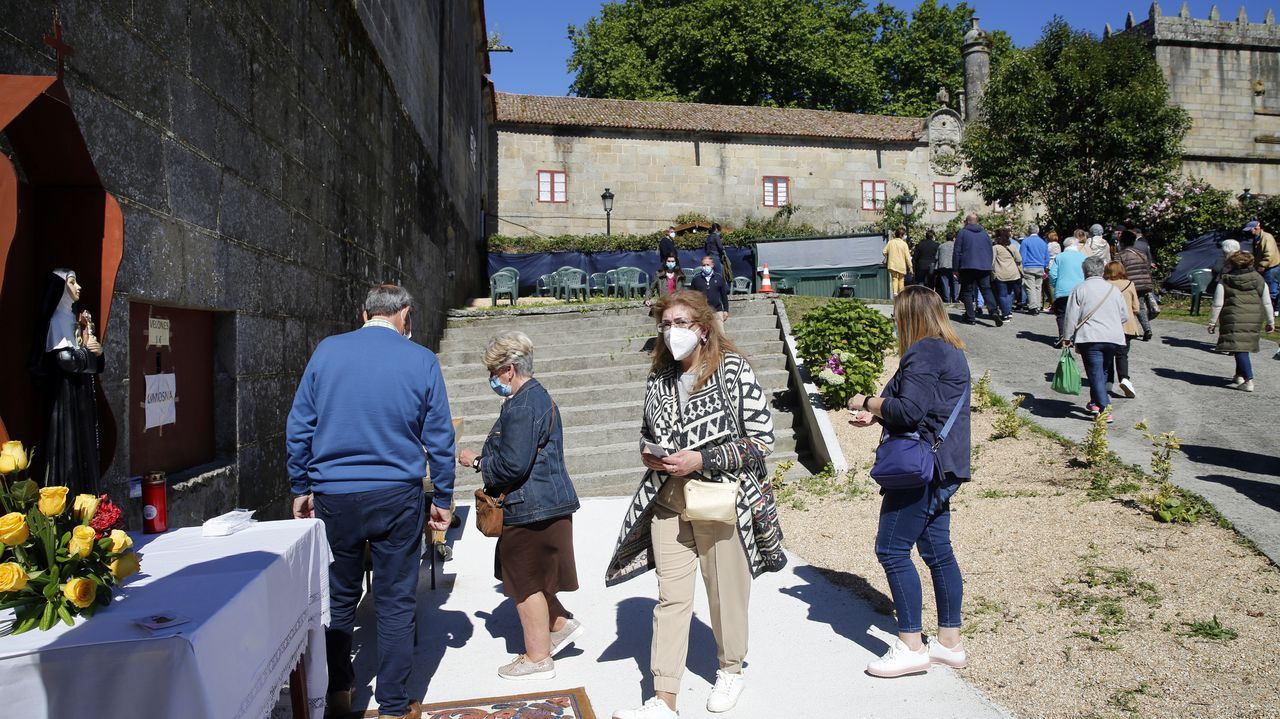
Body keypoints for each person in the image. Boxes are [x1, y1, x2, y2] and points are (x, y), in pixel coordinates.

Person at [608, 290, 784, 719]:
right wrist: (649, 454)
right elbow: (646, 432)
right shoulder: (659, 379)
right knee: (670, 600)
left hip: (720, 502)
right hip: (668, 502)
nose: (672, 332)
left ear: (703, 329)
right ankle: (664, 698)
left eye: (681, 323)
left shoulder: (733, 371)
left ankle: (730, 669)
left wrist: (703, 458)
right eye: (666, 324)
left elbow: (762, 441)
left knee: (725, 595)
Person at [287, 284, 456, 719]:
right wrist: (444, 495)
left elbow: (300, 423)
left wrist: (300, 486)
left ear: (364, 314)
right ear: (404, 315)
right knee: (396, 599)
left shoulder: (327, 351)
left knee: (338, 598)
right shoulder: (420, 359)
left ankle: (340, 693)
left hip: (334, 494)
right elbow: (439, 435)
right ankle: (395, 705)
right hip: (396, 493)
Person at [846, 285, 970, 678]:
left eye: (899, 315)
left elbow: (911, 409)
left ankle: (910, 646)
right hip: (944, 464)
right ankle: (949, 643)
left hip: (921, 469)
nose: (895, 322)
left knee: (892, 549)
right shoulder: (950, 349)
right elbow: (922, 407)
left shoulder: (924, 350)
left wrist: (866, 402)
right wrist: (880, 416)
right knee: (936, 551)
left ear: (909, 316)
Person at [457, 331, 582, 680]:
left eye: (494, 373)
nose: (492, 380)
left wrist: (478, 463)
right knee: (534, 576)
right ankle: (559, 626)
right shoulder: (534, 398)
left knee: (524, 583)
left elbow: (514, 465)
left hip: (532, 507)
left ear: (509, 369)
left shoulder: (523, 404)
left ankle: (538, 657)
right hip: (543, 504)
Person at [30, 269, 104, 497]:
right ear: (61, 288)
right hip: (63, 397)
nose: (78, 286)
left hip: (78, 395)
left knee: (83, 447)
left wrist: (97, 351)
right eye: (72, 282)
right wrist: (89, 355)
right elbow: (65, 360)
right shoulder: (56, 320)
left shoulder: (72, 319)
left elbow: (92, 364)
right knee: (68, 450)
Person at [1060, 256, 1130, 423]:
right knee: (1103, 371)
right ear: (1101, 270)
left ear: (1085, 271)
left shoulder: (1080, 289)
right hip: (1113, 338)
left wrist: (1067, 337)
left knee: (1095, 373)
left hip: (1090, 338)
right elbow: (1124, 316)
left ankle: (1105, 407)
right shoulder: (1113, 290)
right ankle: (1095, 402)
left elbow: (1071, 316)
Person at [1208, 251, 1275, 392]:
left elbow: (1217, 303)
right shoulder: (1258, 278)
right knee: (1241, 346)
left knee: (1239, 348)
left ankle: (1248, 379)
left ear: (1232, 264)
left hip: (1233, 317)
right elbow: (1267, 302)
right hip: (1253, 317)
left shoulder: (1225, 279)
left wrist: (1212, 322)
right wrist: (1271, 321)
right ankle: (1238, 375)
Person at [952, 212, 1001, 326]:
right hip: (984, 267)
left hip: (967, 266)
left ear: (967, 221)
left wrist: (955, 268)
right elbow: (990, 250)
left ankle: (970, 317)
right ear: (977, 222)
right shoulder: (984, 234)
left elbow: (957, 252)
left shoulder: (963, 233)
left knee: (967, 291)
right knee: (986, 289)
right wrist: (988, 265)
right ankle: (993, 311)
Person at [1103, 261, 1141, 398]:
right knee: (1122, 354)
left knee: (1107, 354)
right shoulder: (1130, 285)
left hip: (1108, 325)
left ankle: (1108, 381)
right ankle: (1125, 378)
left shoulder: (1104, 285)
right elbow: (1136, 307)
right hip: (1126, 325)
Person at [1117, 231, 1155, 342]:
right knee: (1140, 306)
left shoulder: (1121, 255)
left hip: (1129, 284)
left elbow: (1118, 271)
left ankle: (1128, 329)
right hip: (1143, 283)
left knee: (1126, 307)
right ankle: (1147, 329)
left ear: (1122, 242)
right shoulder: (1141, 254)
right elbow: (1147, 267)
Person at [1050, 234, 1088, 340]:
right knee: (1078, 314)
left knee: (1061, 313)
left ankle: (1063, 335)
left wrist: (1055, 284)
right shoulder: (1083, 257)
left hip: (1063, 290)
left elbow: (1053, 274)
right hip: (1080, 289)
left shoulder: (1060, 257)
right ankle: (1076, 336)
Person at [1245, 220, 1280, 315]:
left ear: (1256, 228)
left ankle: (1272, 311)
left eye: (1250, 230)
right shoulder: (1258, 238)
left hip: (1271, 268)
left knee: (1272, 290)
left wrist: (1262, 265)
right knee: (1265, 289)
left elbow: (1269, 254)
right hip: (1266, 267)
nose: (1249, 232)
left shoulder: (1267, 237)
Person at [991, 228, 1023, 322]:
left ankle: (1005, 314)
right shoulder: (1012, 246)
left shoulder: (995, 248)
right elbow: (1019, 259)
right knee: (1009, 293)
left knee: (1002, 294)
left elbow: (992, 261)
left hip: (1001, 273)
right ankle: (1009, 312)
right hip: (1013, 273)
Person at [690, 254, 730, 325]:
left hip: (717, 311)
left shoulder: (719, 278)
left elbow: (724, 295)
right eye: (704, 265)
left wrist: (726, 310)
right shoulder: (696, 279)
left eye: (708, 265)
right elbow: (692, 296)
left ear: (712, 265)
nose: (706, 267)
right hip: (702, 312)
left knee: (720, 333)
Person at [1020, 224, 1048, 315]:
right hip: (1040, 267)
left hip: (1029, 266)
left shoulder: (1025, 242)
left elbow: (1022, 256)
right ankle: (1038, 305)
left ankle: (1033, 307)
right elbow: (1046, 257)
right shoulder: (1043, 242)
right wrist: (1043, 265)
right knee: (1038, 287)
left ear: (1029, 231)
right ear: (1038, 231)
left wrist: (1021, 267)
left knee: (1030, 287)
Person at [884, 228, 913, 297]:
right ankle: (901, 293)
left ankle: (895, 293)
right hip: (901, 264)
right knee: (901, 279)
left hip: (892, 263)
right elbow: (907, 257)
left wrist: (889, 255)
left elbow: (884, 251)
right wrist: (910, 267)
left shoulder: (890, 242)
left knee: (894, 278)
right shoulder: (904, 244)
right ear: (902, 235)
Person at [936, 233, 957, 302]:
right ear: (953, 238)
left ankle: (947, 299)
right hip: (954, 266)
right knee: (955, 283)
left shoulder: (941, 246)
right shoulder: (956, 246)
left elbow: (936, 257)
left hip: (943, 266)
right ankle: (955, 298)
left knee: (945, 283)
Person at [1044, 230, 1062, 311]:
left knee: (1049, 285)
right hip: (1057, 264)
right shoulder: (1058, 245)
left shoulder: (1049, 245)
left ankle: (1052, 303)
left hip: (1050, 264)